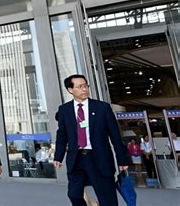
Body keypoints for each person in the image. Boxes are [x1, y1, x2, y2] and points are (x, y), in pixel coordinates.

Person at [54, 74, 129, 206]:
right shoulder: (64, 110)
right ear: (70, 90)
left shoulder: (102, 108)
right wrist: (58, 156)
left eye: (86, 86)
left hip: (99, 158)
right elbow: (62, 135)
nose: (84, 89)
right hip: (76, 159)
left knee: (107, 198)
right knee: (74, 195)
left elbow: (115, 135)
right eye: (80, 86)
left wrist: (122, 159)